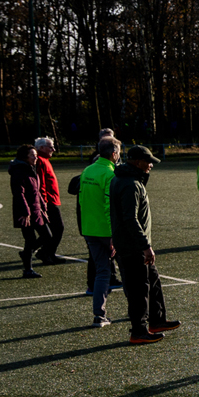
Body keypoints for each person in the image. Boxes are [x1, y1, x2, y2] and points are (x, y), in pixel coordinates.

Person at [110, 145, 180, 345]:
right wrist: (145, 245)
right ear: (136, 161)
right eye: (148, 161)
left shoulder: (127, 180)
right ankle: (139, 330)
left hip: (134, 244)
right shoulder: (130, 184)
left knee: (153, 283)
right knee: (139, 289)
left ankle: (157, 321)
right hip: (133, 247)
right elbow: (129, 218)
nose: (151, 165)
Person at [78, 135, 121, 326]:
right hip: (107, 231)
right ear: (113, 154)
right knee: (128, 271)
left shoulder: (88, 170)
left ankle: (99, 315)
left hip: (89, 229)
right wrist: (113, 235)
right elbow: (108, 206)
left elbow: (82, 200)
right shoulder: (110, 174)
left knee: (102, 272)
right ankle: (137, 311)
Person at [8, 145, 49, 279]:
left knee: (46, 236)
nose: (36, 157)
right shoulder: (19, 171)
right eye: (32, 155)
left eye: (36, 155)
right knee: (30, 239)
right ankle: (28, 269)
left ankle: (27, 254)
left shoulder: (31, 168)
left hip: (36, 210)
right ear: (25, 157)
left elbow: (36, 191)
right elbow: (19, 193)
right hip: (25, 212)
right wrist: (25, 211)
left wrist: (43, 206)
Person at [32, 137, 66, 263]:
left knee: (55, 229)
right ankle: (44, 252)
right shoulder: (40, 161)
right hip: (48, 201)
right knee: (58, 228)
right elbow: (41, 185)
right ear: (41, 148)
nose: (53, 149)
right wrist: (44, 202)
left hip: (50, 200)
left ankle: (47, 253)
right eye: (50, 147)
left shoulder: (44, 160)